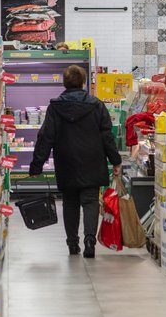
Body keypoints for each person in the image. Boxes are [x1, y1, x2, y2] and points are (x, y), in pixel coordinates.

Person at [29, 65, 122, 258]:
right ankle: (90, 240)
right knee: (90, 201)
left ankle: (72, 243)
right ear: (83, 82)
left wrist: (37, 164)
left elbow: (46, 136)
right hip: (92, 160)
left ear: (64, 82)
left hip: (66, 161)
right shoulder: (96, 105)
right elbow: (107, 137)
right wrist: (116, 161)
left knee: (70, 202)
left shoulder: (55, 107)